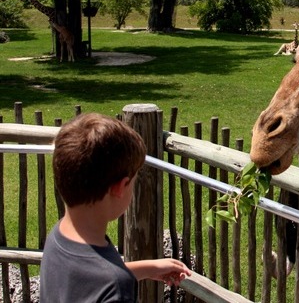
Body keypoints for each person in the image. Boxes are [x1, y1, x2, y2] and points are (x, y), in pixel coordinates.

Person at [40, 113, 191, 302]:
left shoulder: (59, 236)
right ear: (120, 187)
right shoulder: (115, 289)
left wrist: (146, 269)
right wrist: (121, 277)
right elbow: (103, 282)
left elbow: (87, 281)